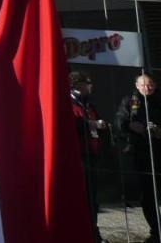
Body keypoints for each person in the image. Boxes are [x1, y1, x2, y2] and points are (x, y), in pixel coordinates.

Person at [117, 73, 161, 242]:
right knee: (148, 194)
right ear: (136, 85)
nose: (146, 88)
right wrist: (130, 125)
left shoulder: (159, 99)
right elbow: (119, 121)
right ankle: (156, 230)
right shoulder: (130, 101)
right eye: (143, 85)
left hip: (159, 150)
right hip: (141, 152)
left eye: (149, 85)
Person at [70, 71, 106, 241]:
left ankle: (93, 231)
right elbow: (69, 124)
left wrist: (102, 125)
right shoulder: (69, 102)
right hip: (78, 156)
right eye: (88, 82)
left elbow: (98, 121)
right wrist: (88, 124)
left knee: (93, 198)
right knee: (82, 197)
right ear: (78, 85)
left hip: (92, 153)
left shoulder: (89, 104)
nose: (91, 86)